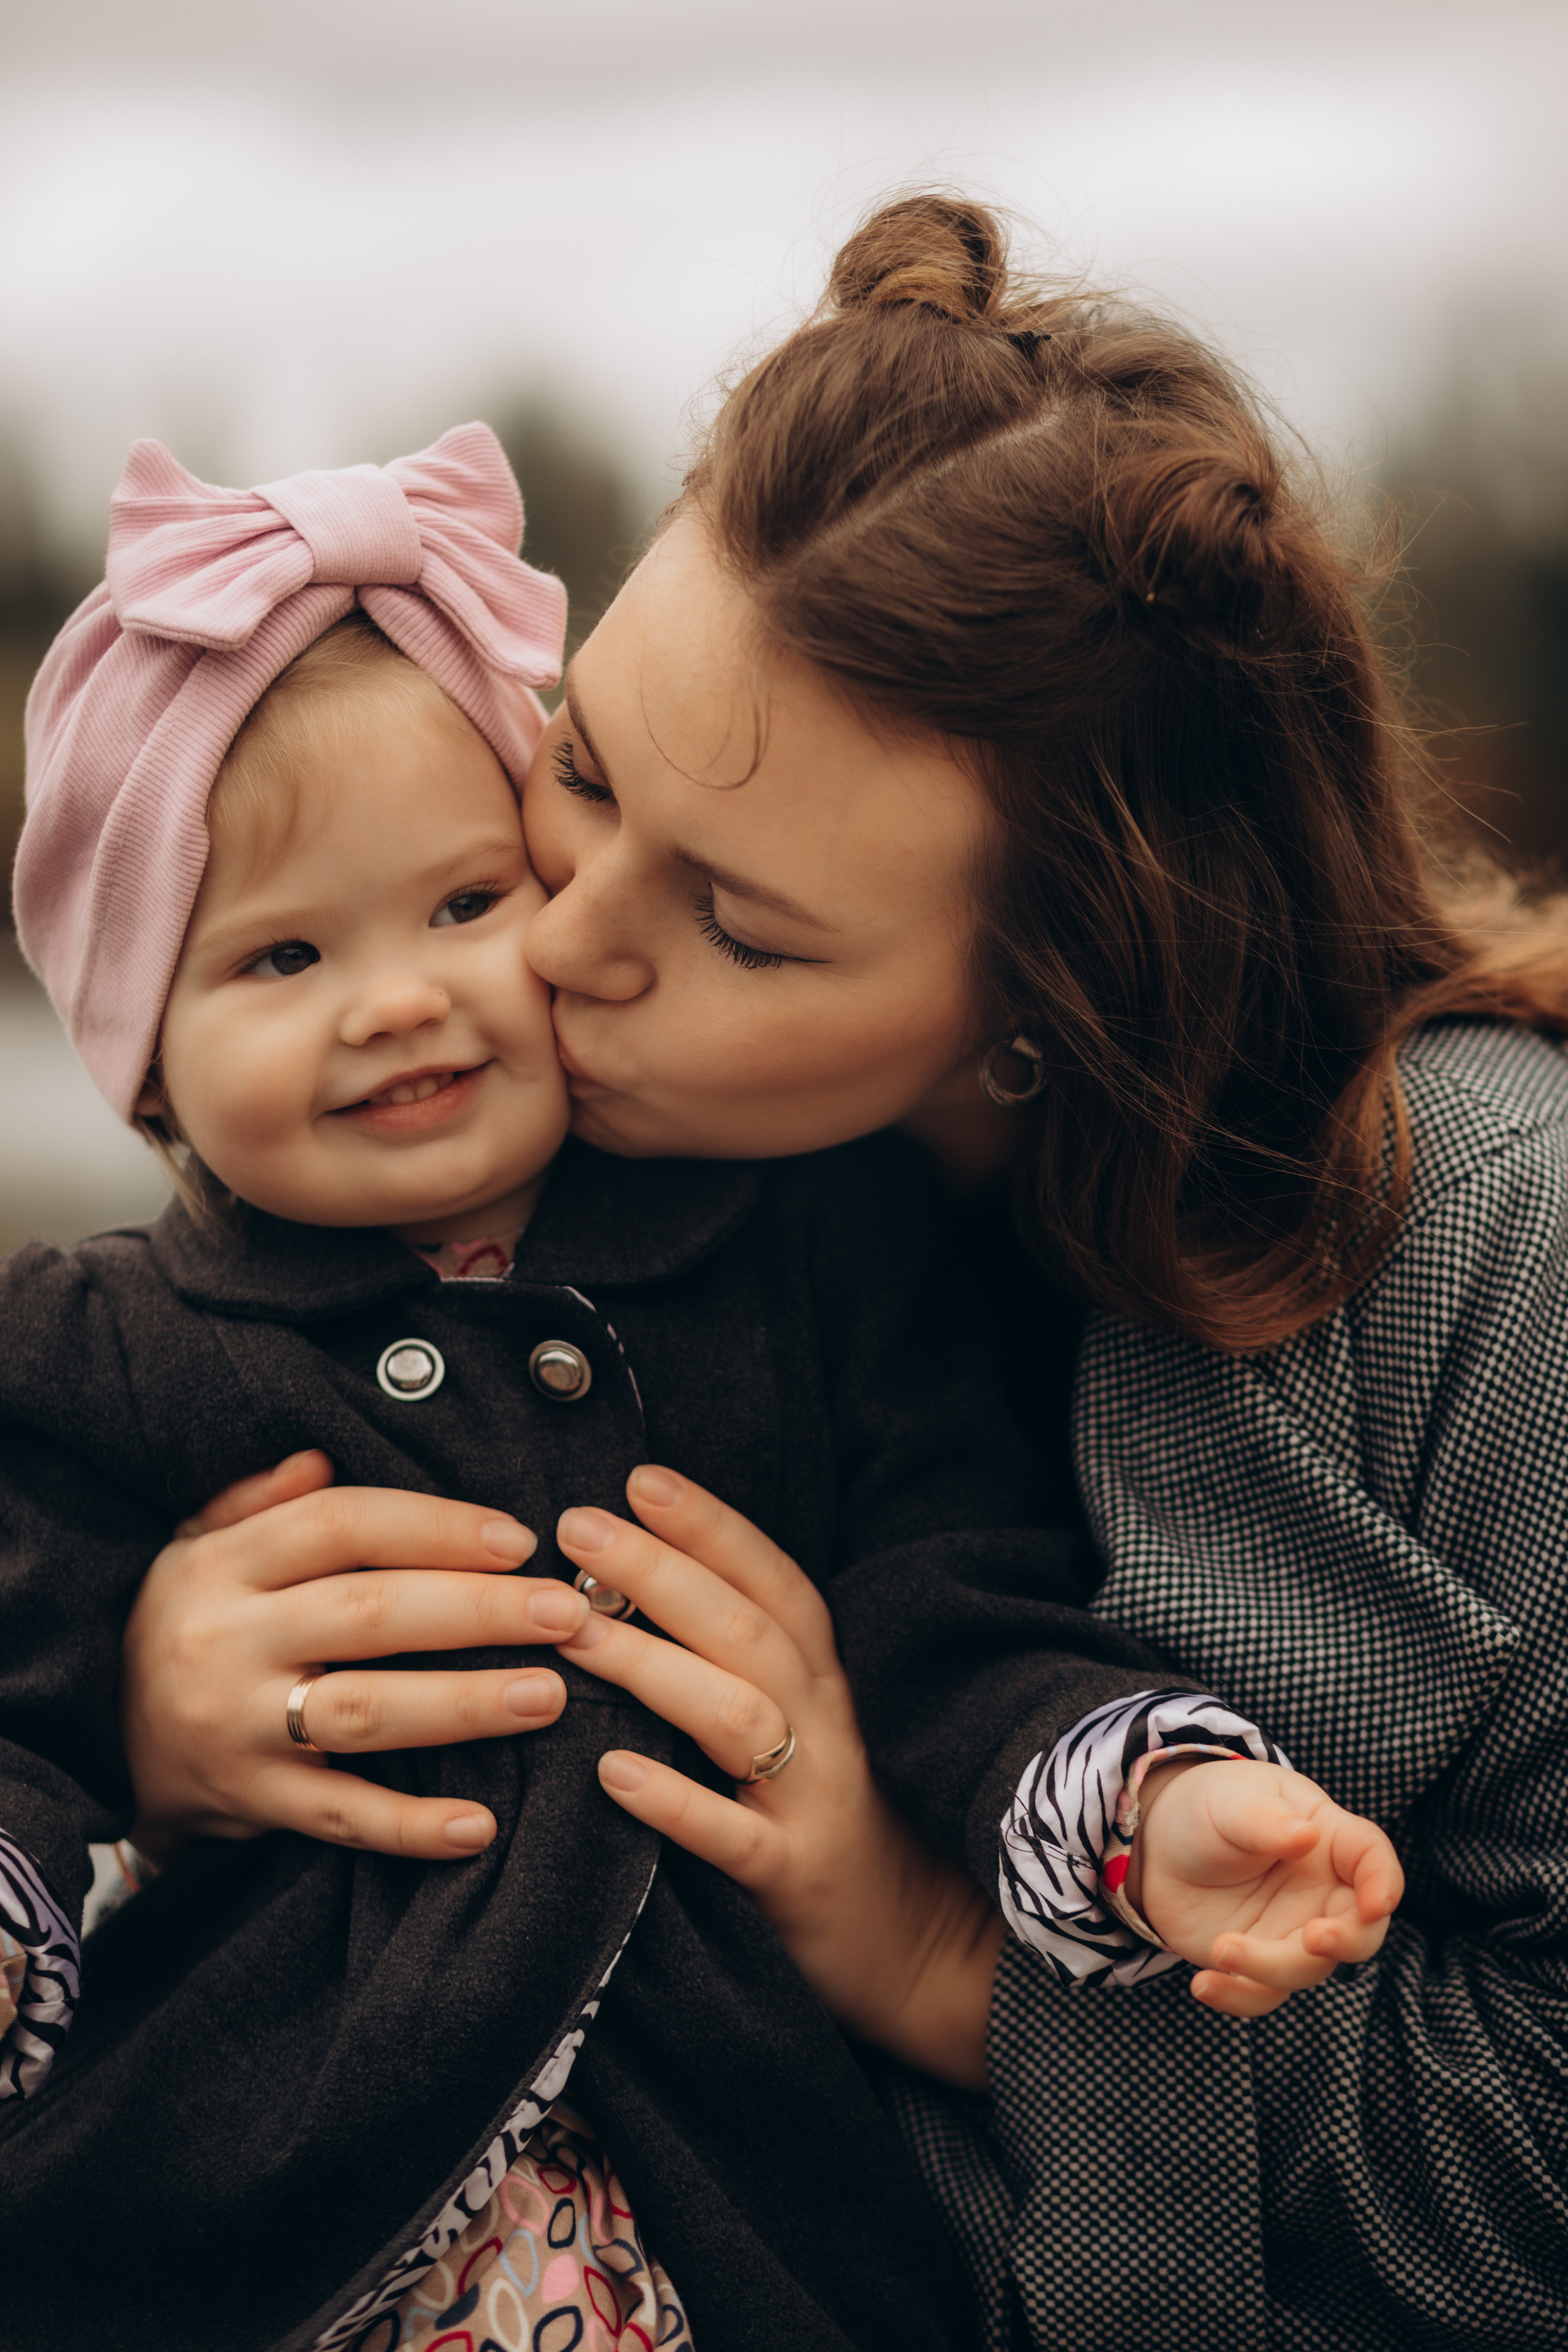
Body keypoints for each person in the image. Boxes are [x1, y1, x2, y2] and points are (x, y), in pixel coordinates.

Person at [110, 192, 1568, 2349]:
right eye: (583, 772)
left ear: (1048, 1004)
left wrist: (935, 1954)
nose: (559, 943)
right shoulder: (570, 1182)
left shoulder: (1496, 1256)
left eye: (742, 928)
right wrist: (160, 1736)